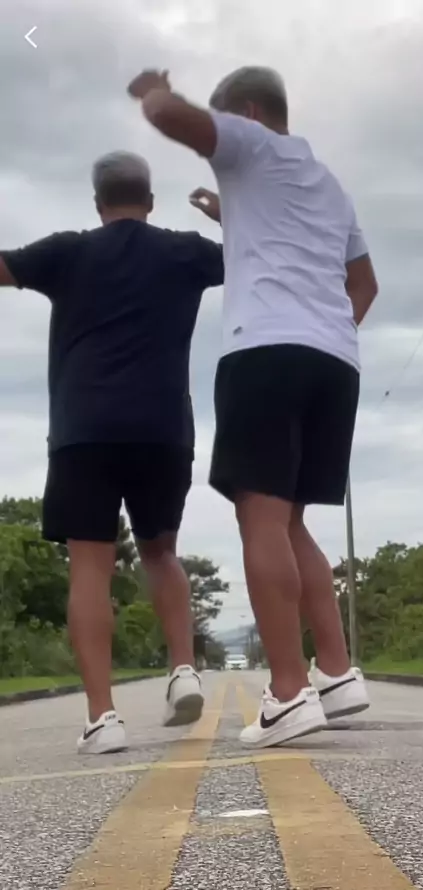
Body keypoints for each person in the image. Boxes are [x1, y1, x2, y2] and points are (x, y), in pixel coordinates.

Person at [128, 66, 378, 748]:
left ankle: (289, 694)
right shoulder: (328, 184)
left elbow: (174, 119)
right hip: (335, 362)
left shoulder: (250, 143)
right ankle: (337, 671)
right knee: (291, 522)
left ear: (247, 111)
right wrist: (326, 328)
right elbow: (364, 283)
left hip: (266, 351)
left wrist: (151, 91)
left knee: (260, 517)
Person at [0, 151, 224, 754]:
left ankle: (103, 717)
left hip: (84, 430)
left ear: (97, 204)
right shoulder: (185, 251)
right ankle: (183, 668)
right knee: (161, 552)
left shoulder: (66, 251)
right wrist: (228, 216)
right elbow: (262, 253)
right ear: (149, 201)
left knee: (90, 568)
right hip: (163, 428)